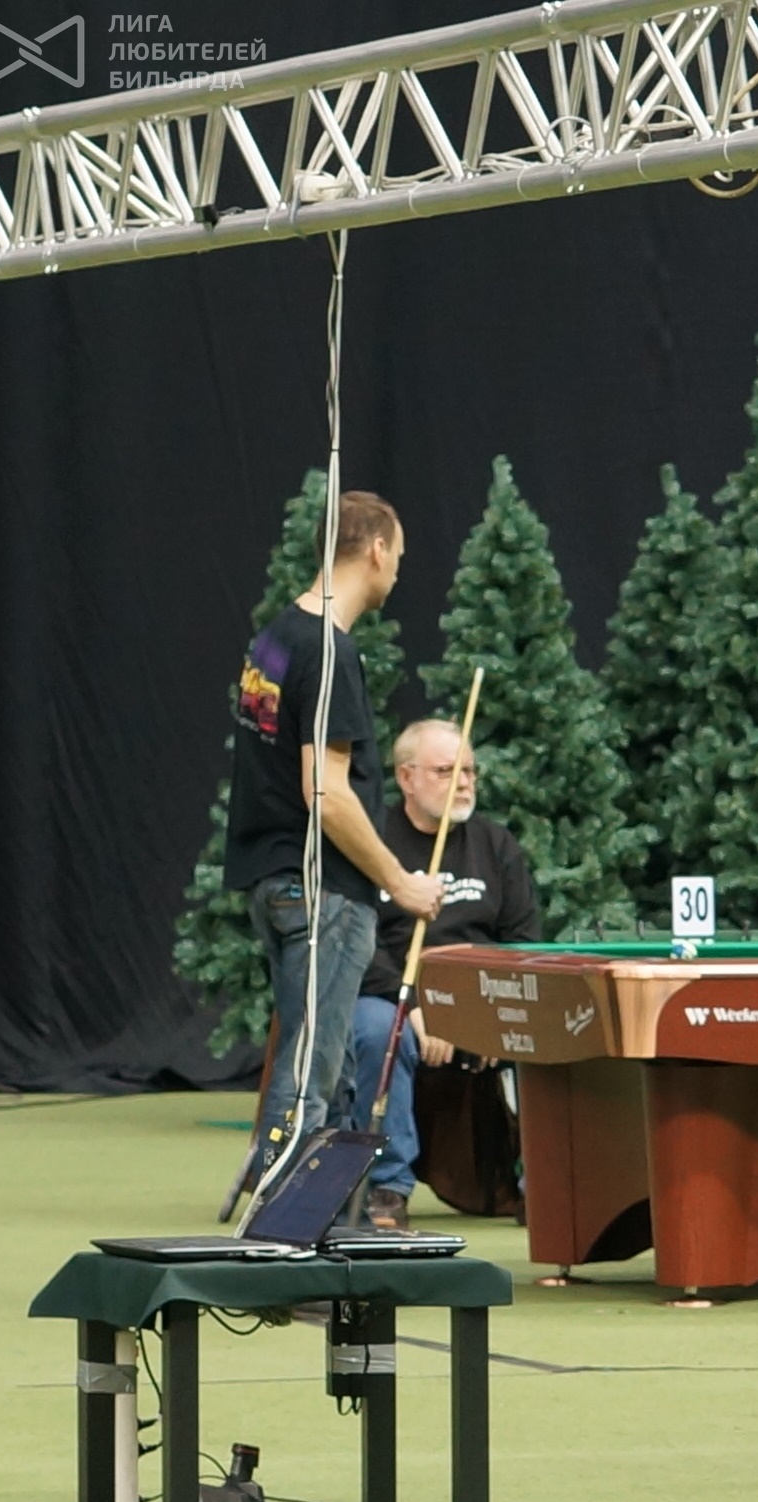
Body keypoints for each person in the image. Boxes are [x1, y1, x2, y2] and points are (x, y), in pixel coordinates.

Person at [224, 492, 442, 1166]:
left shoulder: (274, 638)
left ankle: (312, 1208)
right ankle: (279, 1208)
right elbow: (326, 792)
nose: (398, 570)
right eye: (398, 555)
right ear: (375, 550)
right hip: (323, 893)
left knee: (324, 1058)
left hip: (274, 880)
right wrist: (400, 882)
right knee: (313, 1071)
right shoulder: (329, 650)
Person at [350, 719, 541, 1230]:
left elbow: (522, 942)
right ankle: (388, 1186)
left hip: (481, 997)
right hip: (392, 996)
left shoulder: (495, 845)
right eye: (446, 771)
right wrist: (414, 1007)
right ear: (406, 777)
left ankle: (543, 1185)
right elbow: (359, 943)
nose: (464, 783)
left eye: (470, 772)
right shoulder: (372, 843)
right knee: (377, 1033)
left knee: (547, 1033)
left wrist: (490, 1015)